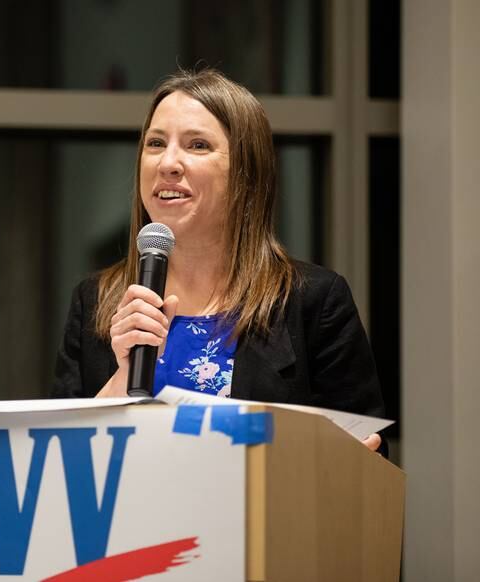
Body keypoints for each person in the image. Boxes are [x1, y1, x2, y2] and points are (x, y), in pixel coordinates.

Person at [51, 68, 386, 453]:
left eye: (197, 146)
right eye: (156, 143)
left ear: (245, 173)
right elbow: (58, 464)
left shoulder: (312, 302)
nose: (168, 164)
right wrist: (123, 375)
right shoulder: (95, 300)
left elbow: (368, 462)